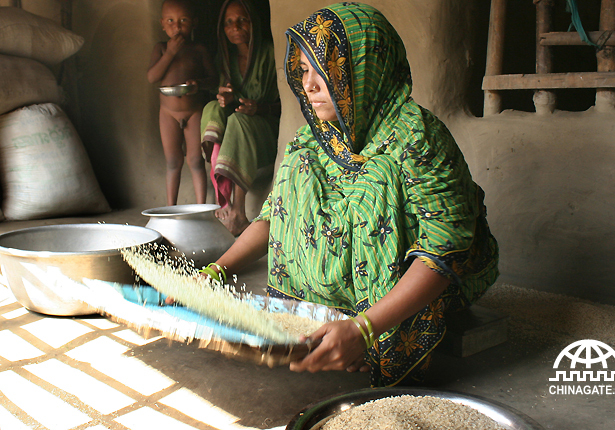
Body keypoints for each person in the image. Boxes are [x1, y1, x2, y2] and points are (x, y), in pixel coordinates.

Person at [202, 3, 499, 387]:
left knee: (377, 179)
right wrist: (216, 272)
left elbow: (445, 250)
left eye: (324, 71)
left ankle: (377, 331)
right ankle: (329, 317)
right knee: (299, 166)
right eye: (304, 70)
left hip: (439, 276)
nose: (308, 85)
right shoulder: (312, 137)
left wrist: (364, 331)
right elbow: (274, 217)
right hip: (351, 288)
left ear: (362, 70)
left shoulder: (418, 137)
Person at [201, 0, 281, 236]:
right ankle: (221, 195)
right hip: (238, 133)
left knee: (238, 121)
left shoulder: (270, 52)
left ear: (253, 23)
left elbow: (286, 104)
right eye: (228, 22)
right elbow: (228, 101)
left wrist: (259, 108)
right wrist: (225, 99)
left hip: (264, 132)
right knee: (212, 108)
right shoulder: (225, 58)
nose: (235, 27)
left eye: (242, 20)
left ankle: (238, 211)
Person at [147, 0, 216, 206]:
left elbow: (214, 79)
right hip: (168, 112)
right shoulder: (160, 49)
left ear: (194, 23)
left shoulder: (198, 49)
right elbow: (152, 77)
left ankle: (201, 207)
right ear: (162, 24)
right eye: (171, 20)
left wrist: (199, 85)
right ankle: (171, 208)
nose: (177, 27)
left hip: (194, 111)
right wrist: (170, 53)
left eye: (183, 21)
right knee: (173, 162)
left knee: (195, 161)